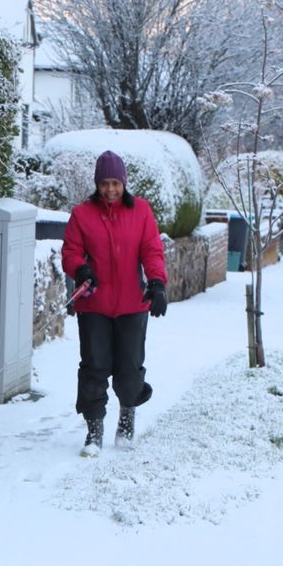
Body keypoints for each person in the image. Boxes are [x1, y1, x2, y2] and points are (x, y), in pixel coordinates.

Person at [61, 150, 168, 457]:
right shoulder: (82, 214)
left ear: (124, 183)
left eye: (115, 183)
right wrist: (80, 269)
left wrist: (157, 283)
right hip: (94, 305)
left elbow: (152, 251)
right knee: (94, 367)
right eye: (104, 183)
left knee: (130, 369)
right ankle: (94, 433)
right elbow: (71, 251)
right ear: (97, 184)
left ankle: (126, 421)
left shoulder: (142, 211)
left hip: (133, 305)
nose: (110, 189)